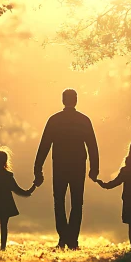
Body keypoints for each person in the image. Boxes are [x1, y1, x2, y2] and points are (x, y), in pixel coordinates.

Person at [34, 89, 99, 250]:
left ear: (63, 100)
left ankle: (63, 237)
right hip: (78, 166)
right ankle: (72, 239)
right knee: (77, 202)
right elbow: (92, 145)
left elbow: (44, 145)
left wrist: (38, 169)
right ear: (76, 100)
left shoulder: (54, 120)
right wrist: (94, 168)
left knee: (59, 201)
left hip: (60, 166)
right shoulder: (84, 120)